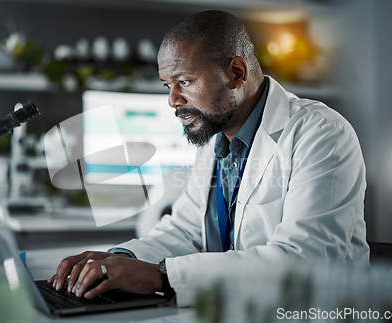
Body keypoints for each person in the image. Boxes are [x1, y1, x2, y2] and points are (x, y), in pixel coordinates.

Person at [48, 10, 369, 305]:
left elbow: (304, 262)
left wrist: (161, 276)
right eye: (167, 85)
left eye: (184, 81)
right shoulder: (214, 139)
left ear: (237, 73)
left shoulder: (321, 133)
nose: (173, 100)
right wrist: (117, 259)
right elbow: (185, 232)